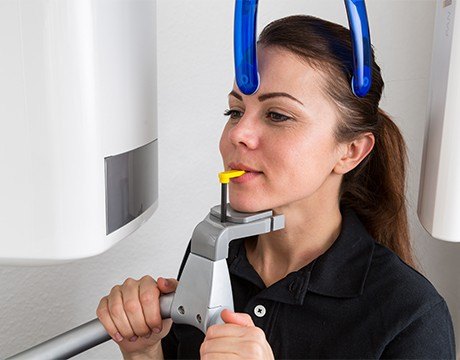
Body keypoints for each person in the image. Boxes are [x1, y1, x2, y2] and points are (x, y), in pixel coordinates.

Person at [96, 15, 456, 359]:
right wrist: (144, 351)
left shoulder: (411, 318)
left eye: (278, 115)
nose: (238, 134)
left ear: (350, 151)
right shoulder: (213, 251)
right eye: (235, 112)